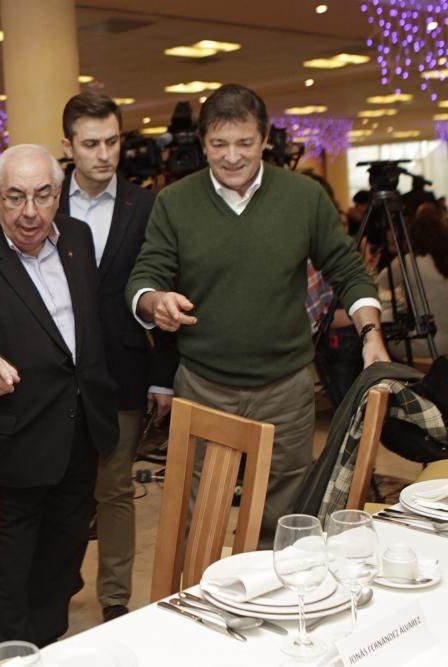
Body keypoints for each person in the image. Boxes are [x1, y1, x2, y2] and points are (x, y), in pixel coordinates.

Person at [126, 84, 389, 546]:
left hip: (285, 387)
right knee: (200, 512)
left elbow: (347, 270)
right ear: (203, 142)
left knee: (284, 514)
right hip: (205, 385)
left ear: (265, 138)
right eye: (219, 144)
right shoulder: (175, 201)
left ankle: (277, 598)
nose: (231, 157)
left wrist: (371, 333)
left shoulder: (303, 197)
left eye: (244, 143)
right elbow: (145, 275)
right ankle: (197, 604)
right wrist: (154, 301)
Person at [0, 144, 119, 646]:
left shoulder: (77, 238)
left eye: (42, 195)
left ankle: (49, 647)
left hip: (79, 435)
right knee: (8, 578)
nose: (29, 212)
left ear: (59, 195)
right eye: (14, 198)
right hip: (10, 443)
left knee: (62, 561)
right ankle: (12, 656)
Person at [57, 91, 177, 621]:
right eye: (90, 144)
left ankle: (114, 597)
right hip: (57, 372)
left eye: (112, 141)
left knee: (116, 488)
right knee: (62, 487)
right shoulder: (44, 203)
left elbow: (169, 287)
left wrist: (163, 377)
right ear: (68, 146)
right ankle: (58, 582)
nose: (103, 154)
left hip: (126, 368)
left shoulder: (147, 206)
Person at [379, 203, 448, 356]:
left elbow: (382, 281)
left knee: (385, 339)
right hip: (441, 341)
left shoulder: (408, 261)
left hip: (429, 343)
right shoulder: (443, 260)